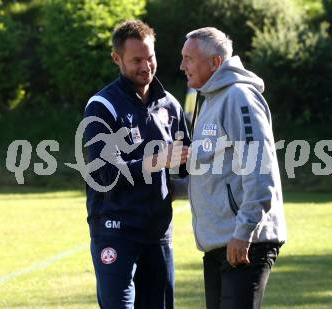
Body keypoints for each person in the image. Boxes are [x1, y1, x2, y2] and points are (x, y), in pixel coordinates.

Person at [83, 20, 190, 309]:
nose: (146, 66)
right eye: (137, 60)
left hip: (158, 234)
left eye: (150, 57)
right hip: (115, 230)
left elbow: (184, 171)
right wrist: (156, 161)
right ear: (117, 59)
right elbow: (102, 173)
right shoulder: (103, 106)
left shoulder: (171, 106)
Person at [180, 27, 287, 309]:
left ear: (214, 62)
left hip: (244, 242)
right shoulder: (209, 99)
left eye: (189, 58)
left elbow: (259, 167)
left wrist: (244, 231)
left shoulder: (239, 96)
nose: (182, 66)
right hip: (219, 243)